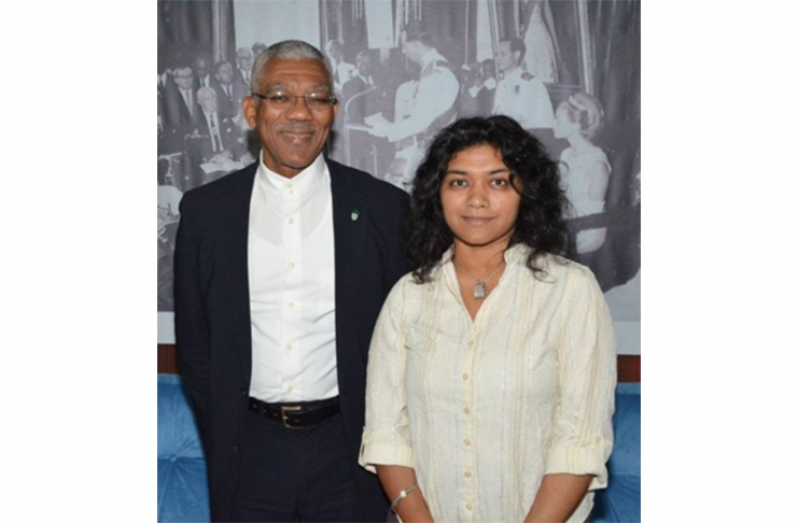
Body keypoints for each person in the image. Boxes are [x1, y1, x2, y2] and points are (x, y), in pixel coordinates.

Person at [175, 39, 410, 522]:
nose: (300, 113)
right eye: (281, 96)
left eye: (317, 98)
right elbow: (196, 347)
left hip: (352, 451)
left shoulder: (383, 208)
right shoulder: (206, 212)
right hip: (247, 451)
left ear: (333, 111)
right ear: (250, 109)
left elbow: (407, 339)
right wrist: (228, 424)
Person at [360, 115, 616, 523]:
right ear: (437, 194)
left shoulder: (570, 291)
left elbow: (579, 440)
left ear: (526, 192)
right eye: (459, 182)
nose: (477, 199)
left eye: (498, 181)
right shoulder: (408, 297)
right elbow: (386, 434)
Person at [367, 21, 460, 188]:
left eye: (405, 46)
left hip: (439, 152)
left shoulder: (435, 72)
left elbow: (421, 121)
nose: (403, 51)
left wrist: (387, 130)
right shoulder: (432, 67)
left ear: (416, 45)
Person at [553, 92, 612, 254]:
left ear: (576, 126)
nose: (553, 124)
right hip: (567, 222)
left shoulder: (596, 164)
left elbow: (593, 218)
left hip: (587, 231)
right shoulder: (566, 154)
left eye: (558, 120)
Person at [492, 38, 555, 130]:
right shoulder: (502, 84)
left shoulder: (531, 84)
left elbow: (543, 123)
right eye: (496, 55)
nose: (498, 59)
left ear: (517, 55)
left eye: (503, 54)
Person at [521, 0, 562, 83]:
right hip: (528, 35)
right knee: (531, 67)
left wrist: (556, 45)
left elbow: (548, 16)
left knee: (546, 68)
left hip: (542, 34)